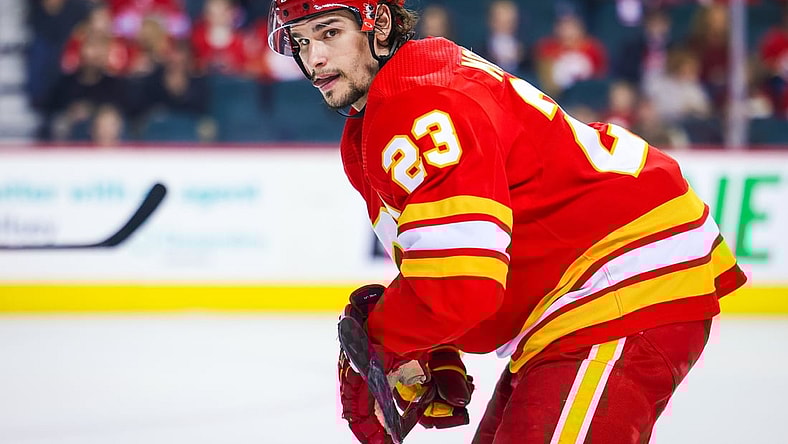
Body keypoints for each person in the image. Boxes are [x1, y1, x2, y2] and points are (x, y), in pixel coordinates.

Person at [266, 1, 748, 443]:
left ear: (380, 25)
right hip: (576, 295)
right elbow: (445, 258)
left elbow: (463, 287)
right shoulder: (402, 95)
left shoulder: (417, 106)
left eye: (329, 33)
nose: (314, 59)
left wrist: (381, 338)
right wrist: (433, 345)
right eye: (302, 41)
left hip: (618, 282)